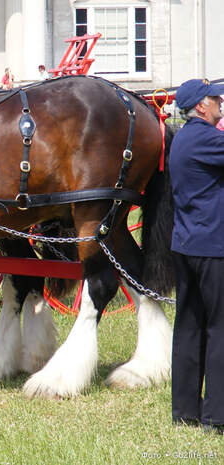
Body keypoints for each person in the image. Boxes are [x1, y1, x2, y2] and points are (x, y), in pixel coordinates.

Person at [169, 78, 224, 434]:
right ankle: (217, 416)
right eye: (216, 99)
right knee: (219, 329)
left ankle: (186, 411)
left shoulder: (184, 137)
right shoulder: (207, 138)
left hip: (187, 244)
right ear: (201, 107)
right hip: (212, 247)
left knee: (189, 328)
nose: (220, 103)